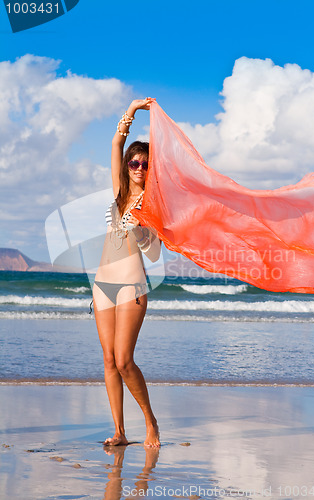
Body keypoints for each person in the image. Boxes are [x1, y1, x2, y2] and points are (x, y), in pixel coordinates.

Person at [93, 97, 161, 448]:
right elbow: (117, 143)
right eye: (134, 161)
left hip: (132, 286)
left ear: (151, 169)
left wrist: (143, 228)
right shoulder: (119, 194)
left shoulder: (153, 206)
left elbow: (154, 251)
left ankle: (150, 422)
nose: (138, 166)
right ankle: (119, 431)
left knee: (124, 360)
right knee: (107, 360)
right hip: (102, 284)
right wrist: (132, 111)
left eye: (144, 164)